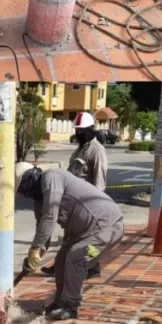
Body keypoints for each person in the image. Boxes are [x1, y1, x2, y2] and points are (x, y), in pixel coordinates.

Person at [15, 162, 124, 321]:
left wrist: (36, 247)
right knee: (61, 260)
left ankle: (71, 306)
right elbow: (43, 229)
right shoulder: (41, 199)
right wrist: (34, 255)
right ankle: (60, 302)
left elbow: (50, 217)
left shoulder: (52, 177)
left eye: (23, 188)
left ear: (30, 178)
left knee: (77, 258)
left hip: (109, 230)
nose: (25, 194)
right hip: (86, 233)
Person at [42, 111, 110, 277]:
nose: (79, 133)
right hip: (74, 202)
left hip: (89, 203)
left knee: (89, 237)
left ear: (90, 129)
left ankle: (92, 267)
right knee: (70, 236)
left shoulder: (96, 150)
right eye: (77, 130)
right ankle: (61, 265)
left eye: (82, 130)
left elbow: (100, 180)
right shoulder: (80, 150)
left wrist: (96, 203)